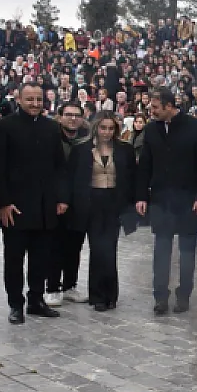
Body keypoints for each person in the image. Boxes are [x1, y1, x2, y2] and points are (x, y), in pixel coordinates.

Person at [0, 82, 67, 324]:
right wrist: (3, 203)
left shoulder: (52, 127)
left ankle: (36, 300)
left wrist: (62, 197)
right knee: (14, 260)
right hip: (15, 207)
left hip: (44, 206)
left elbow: (59, 166)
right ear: (19, 99)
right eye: (30, 99)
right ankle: (15, 304)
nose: (35, 104)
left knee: (41, 258)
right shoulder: (4, 127)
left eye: (39, 99)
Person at [135, 87, 197, 315]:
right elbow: (145, 165)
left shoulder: (196, 127)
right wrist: (141, 195)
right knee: (161, 251)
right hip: (161, 200)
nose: (151, 111)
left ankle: (184, 295)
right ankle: (160, 297)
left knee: (187, 253)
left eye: (155, 107)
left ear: (169, 106)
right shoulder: (151, 130)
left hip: (189, 200)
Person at [62, 111, 137, 311]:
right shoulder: (81, 149)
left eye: (111, 128)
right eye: (103, 128)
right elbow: (71, 178)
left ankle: (110, 294)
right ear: (96, 128)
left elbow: (131, 178)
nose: (107, 132)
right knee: (97, 248)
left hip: (113, 202)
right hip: (91, 202)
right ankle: (97, 295)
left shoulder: (124, 150)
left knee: (110, 248)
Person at [44, 102, 90, 306]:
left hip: (80, 202)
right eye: (68, 114)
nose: (73, 118)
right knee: (55, 246)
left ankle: (70, 285)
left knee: (75, 246)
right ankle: (52, 287)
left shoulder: (87, 139)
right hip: (57, 202)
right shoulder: (51, 138)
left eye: (77, 115)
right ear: (60, 116)